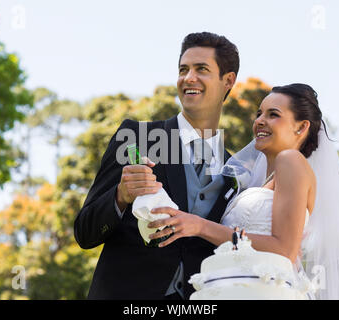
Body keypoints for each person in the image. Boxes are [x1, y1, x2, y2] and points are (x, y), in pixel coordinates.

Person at [149, 83, 339, 299]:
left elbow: (284, 251)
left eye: (273, 114)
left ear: (301, 127)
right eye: (259, 113)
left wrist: (200, 226)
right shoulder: (258, 181)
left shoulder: (290, 160)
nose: (260, 120)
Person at [74, 32, 239, 299]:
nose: (189, 78)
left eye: (202, 69)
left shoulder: (235, 170)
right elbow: (85, 232)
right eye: (183, 69)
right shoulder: (137, 138)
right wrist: (121, 195)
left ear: (228, 81)